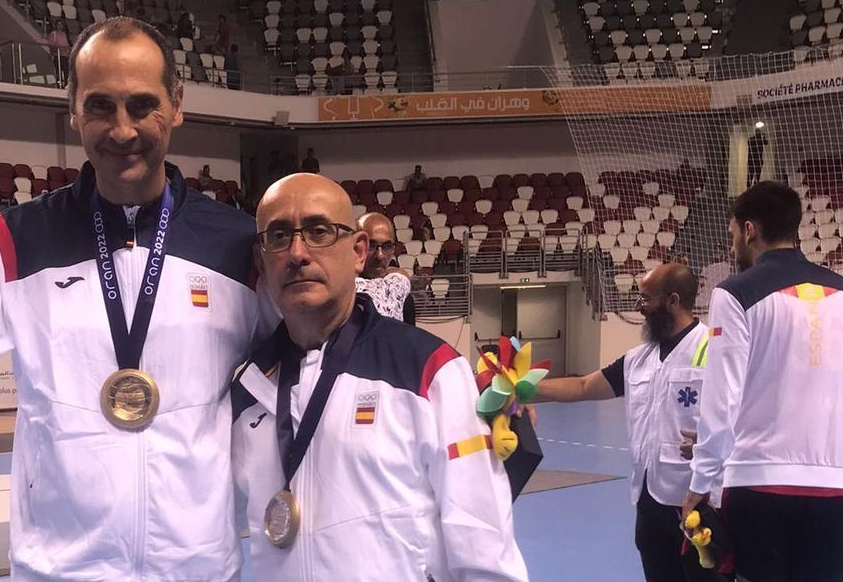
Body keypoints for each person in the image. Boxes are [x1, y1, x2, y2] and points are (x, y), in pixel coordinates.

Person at [0, 16, 265, 579]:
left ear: (176, 104)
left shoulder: (235, 245)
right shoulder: (12, 241)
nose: (123, 130)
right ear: (73, 110)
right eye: (101, 105)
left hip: (196, 568)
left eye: (142, 104)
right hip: (60, 568)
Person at [233, 173, 526, 580]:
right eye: (279, 236)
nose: (297, 252)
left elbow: (483, 546)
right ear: (261, 261)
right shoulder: (248, 387)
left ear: (357, 252)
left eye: (318, 231)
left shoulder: (429, 370)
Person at [684, 181, 843, 582]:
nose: (734, 242)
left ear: (749, 230)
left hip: (759, 484)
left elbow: (722, 400)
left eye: (734, 233)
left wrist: (700, 483)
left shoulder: (735, 294)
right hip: (835, 486)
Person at [535, 264, 722, 582]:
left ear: (672, 300)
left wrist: (714, 443)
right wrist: (524, 387)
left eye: (646, 298)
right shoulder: (639, 358)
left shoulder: (713, 351)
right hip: (649, 502)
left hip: (697, 502)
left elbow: (741, 419)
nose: (639, 305)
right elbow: (583, 387)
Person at [353, 212, 414, 323]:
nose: (379, 255)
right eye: (371, 245)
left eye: (387, 246)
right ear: (356, 248)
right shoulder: (340, 292)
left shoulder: (402, 295)